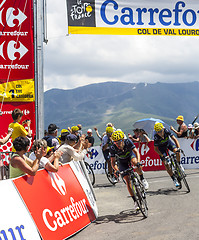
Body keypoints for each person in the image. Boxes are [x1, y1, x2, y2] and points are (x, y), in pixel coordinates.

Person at [110, 130, 149, 210]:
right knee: (127, 180)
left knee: (135, 162)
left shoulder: (128, 142)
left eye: (119, 142)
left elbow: (136, 152)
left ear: (123, 140)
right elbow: (113, 162)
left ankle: (142, 178)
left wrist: (138, 162)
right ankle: (135, 201)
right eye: (115, 142)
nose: (117, 144)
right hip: (122, 161)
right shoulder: (113, 148)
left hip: (130, 156)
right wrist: (116, 170)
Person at [153, 122, 181, 188]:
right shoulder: (156, 137)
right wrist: (162, 155)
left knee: (177, 152)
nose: (159, 133)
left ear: (163, 129)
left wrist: (178, 148)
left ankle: (179, 165)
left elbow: (175, 139)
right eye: (157, 132)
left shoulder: (166, 131)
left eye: (160, 131)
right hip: (161, 149)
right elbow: (155, 149)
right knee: (166, 164)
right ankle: (174, 179)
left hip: (169, 144)